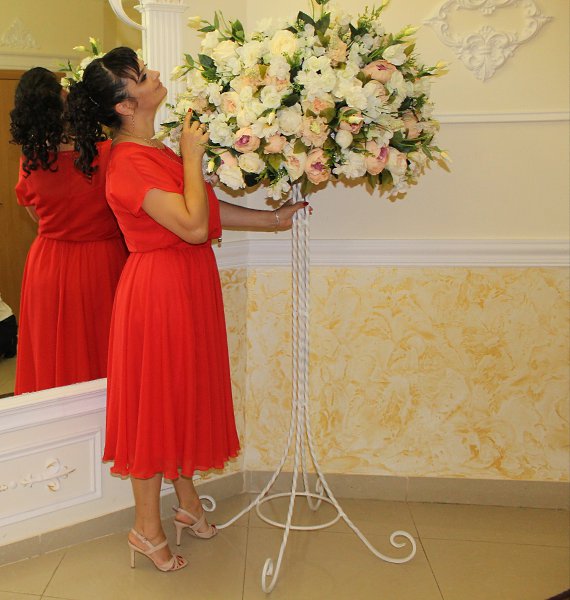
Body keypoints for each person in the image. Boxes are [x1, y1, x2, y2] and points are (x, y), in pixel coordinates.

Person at [68, 46, 307, 573]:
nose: (154, 74)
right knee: (157, 405)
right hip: (159, 293)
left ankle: (189, 503)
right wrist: (193, 157)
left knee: (181, 394)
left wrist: (273, 220)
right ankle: (145, 528)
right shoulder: (128, 164)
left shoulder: (152, 149)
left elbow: (202, 208)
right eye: (141, 75)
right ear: (125, 104)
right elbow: (194, 226)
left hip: (186, 283)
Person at [10, 67, 128, 395]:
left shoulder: (31, 160)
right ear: (63, 100)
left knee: (52, 354)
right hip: (101, 261)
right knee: (102, 353)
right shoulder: (107, 153)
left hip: (48, 264)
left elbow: (37, 217)